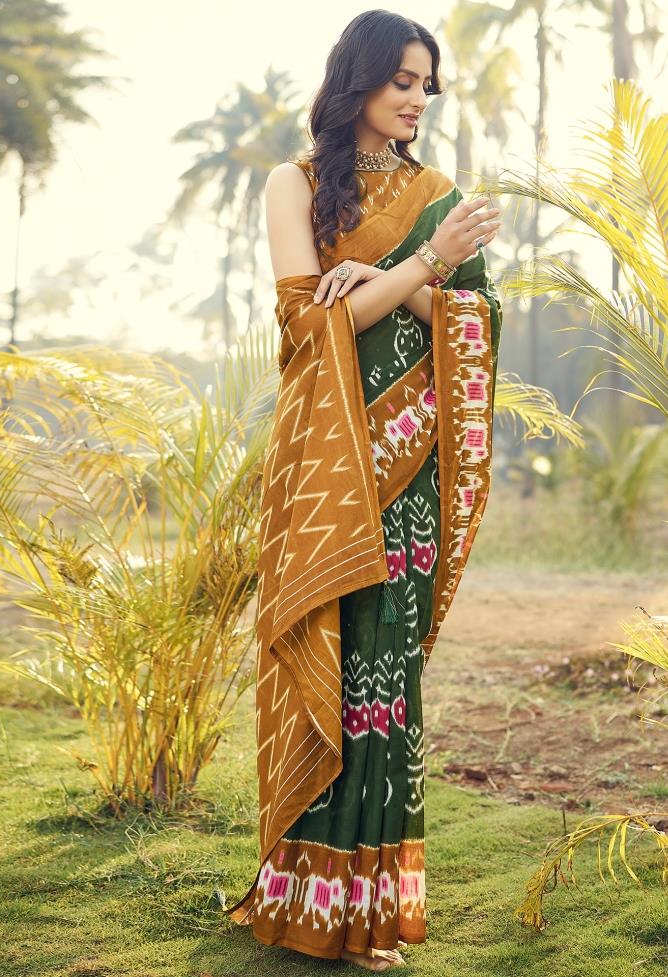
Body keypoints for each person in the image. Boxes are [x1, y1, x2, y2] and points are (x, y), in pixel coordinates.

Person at [223, 8, 503, 971]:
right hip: (326, 468)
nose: (418, 98)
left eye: (428, 83)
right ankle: (304, 899)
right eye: (404, 81)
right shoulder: (292, 183)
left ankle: (368, 914)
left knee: (386, 683)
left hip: (408, 469)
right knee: (331, 674)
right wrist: (418, 265)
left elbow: (468, 328)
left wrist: (399, 274)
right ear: (360, 82)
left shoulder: (440, 194)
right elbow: (310, 329)